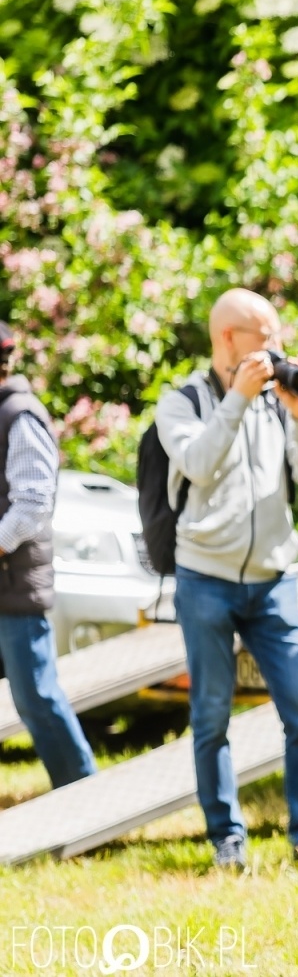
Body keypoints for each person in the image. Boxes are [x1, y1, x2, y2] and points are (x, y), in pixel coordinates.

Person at [155, 289, 298, 867]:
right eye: (267, 337)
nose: (276, 347)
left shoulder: (274, 401)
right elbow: (199, 464)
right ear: (229, 337)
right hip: (204, 579)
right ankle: (226, 839)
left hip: (273, 580)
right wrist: (235, 399)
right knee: (211, 715)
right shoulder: (181, 401)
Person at [0, 323, 97, 789]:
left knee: (35, 695)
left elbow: (34, 504)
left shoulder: (19, 415)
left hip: (16, 586)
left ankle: (84, 796)